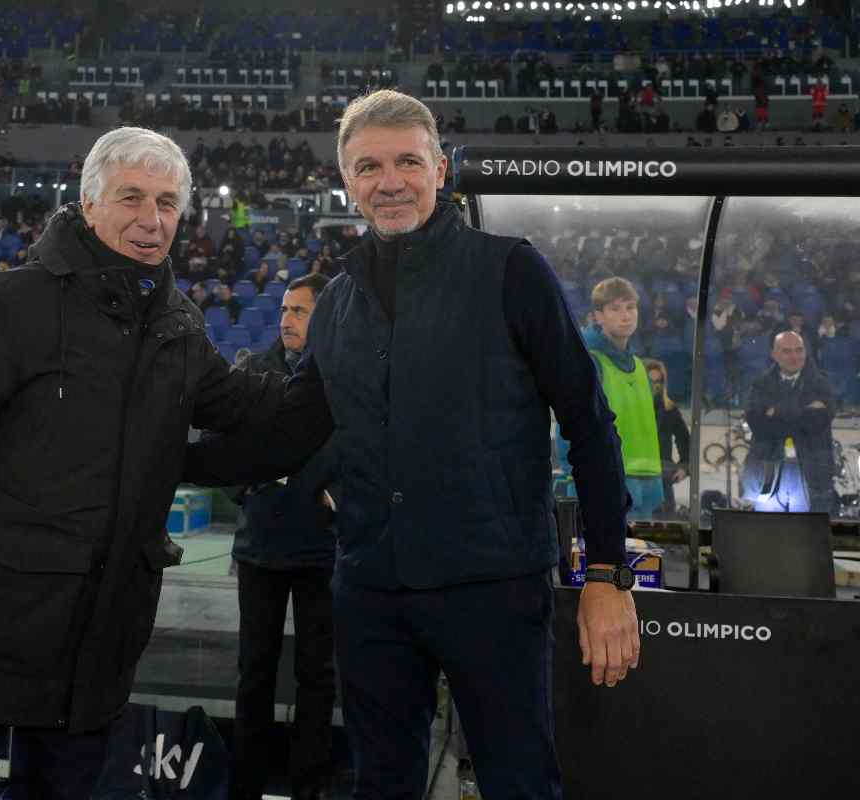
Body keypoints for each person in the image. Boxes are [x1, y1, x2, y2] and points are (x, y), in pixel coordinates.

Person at [182, 90, 638, 800]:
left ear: (441, 169)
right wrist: (162, 456)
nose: (389, 181)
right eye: (369, 166)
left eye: (407, 162)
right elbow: (288, 436)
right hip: (371, 588)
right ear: (347, 180)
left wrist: (606, 574)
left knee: (519, 782)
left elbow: (588, 421)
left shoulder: (511, 271)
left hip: (492, 586)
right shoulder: (337, 302)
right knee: (382, 785)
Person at [0, 127, 320, 800]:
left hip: (97, 644)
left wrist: (344, 377)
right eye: (132, 197)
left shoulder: (178, 325)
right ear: (90, 202)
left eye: (167, 202)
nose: (151, 218)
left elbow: (252, 409)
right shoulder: (12, 302)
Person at [229, 273, 336, 800]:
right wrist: (248, 487)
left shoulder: (343, 372)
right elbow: (226, 440)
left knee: (318, 675)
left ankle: (308, 787)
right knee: (255, 672)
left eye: (298, 311)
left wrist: (320, 490)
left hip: (322, 549)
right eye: (284, 310)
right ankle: (245, 786)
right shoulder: (253, 370)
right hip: (261, 547)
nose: (286, 320)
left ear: (325, 317)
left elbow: (348, 444)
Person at [585, 277, 665, 520]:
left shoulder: (640, 366)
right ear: (598, 316)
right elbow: (572, 424)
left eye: (630, 307)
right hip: (607, 482)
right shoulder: (590, 361)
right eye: (615, 309)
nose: (626, 316)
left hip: (647, 483)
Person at [741, 331, 837, 514]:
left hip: (812, 473)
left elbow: (817, 423)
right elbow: (759, 426)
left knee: (808, 530)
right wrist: (802, 411)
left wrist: (777, 411)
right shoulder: (760, 384)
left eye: (799, 350)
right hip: (768, 473)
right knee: (769, 529)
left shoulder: (821, 384)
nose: (795, 356)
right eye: (787, 351)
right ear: (774, 355)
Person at [645, 358, 690, 518]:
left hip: (662, 479)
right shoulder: (631, 408)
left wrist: (684, 467)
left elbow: (685, 440)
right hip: (635, 478)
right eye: (651, 381)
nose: (655, 386)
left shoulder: (669, 409)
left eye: (659, 381)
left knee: (664, 523)